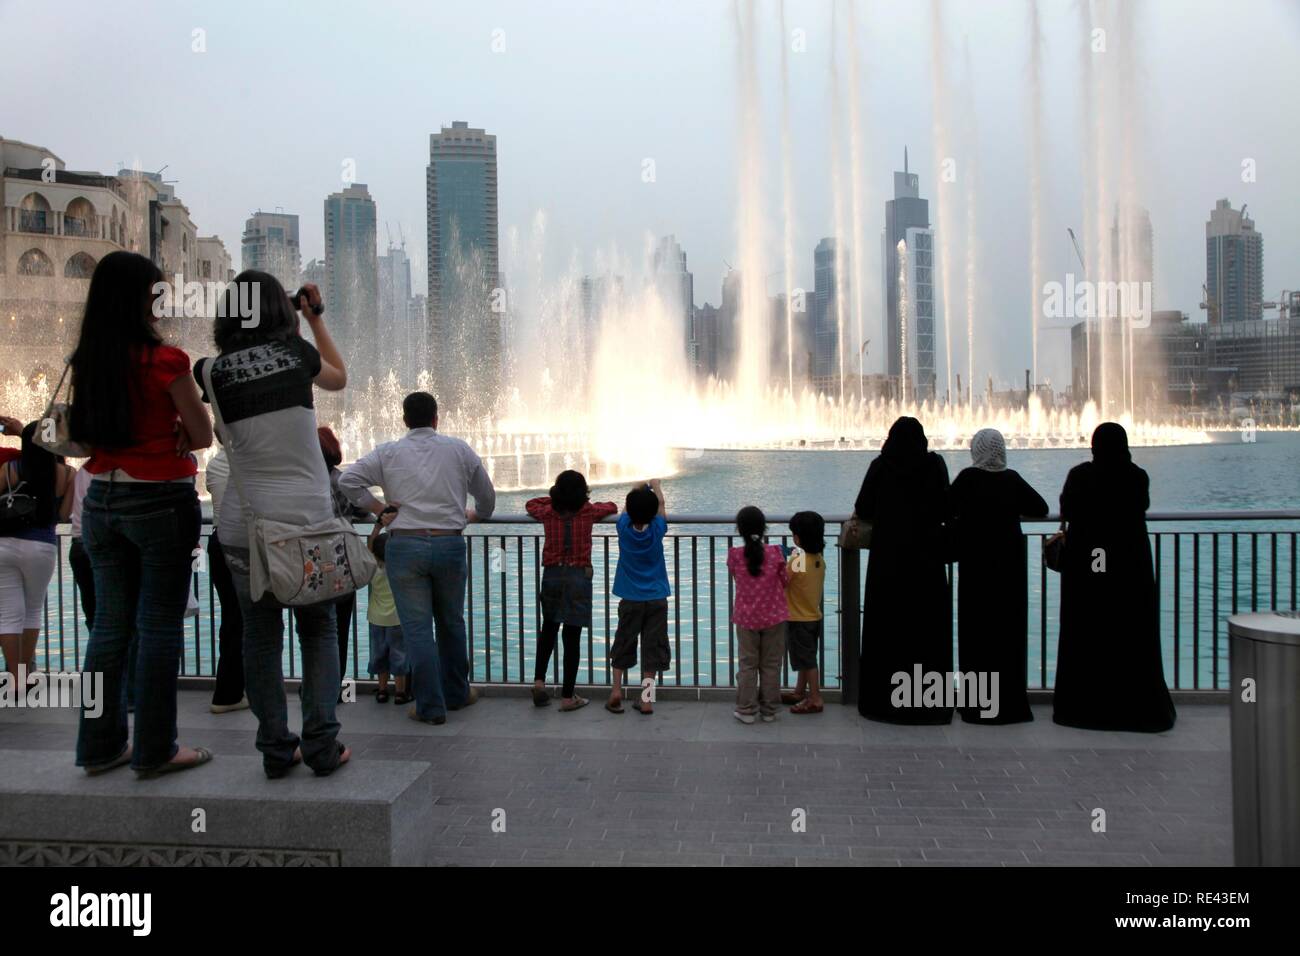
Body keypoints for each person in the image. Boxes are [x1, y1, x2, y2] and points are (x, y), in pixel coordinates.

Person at [195, 272, 351, 777]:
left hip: (244, 528)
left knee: (258, 636)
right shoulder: (297, 358)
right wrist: (313, 317)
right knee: (317, 629)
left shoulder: (210, 371)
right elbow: (338, 376)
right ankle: (322, 746)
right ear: (282, 313)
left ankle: (276, 750)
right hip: (305, 521)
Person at [69, 250, 212, 777]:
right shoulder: (166, 360)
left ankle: (99, 746)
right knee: (157, 627)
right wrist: (178, 430)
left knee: (108, 628)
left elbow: (85, 435)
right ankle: (156, 749)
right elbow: (201, 435)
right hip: (160, 499)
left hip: (101, 503)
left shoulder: (88, 361)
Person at [339, 391, 496, 726]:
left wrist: (382, 510)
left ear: (404, 420)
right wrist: (474, 515)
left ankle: (429, 706)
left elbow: (348, 481)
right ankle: (457, 693)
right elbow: (487, 497)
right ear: (436, 418)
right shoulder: (458, 449)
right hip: (449, 544)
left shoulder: (388, 452)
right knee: (452, 623)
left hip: (405, 546)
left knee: (417, 630)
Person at [1053, 422, 1176, 733]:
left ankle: (1085, 708)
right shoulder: (1137, 476)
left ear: (1095, 446)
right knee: (1132, 633)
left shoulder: (1079, 476)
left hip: (1088, 569)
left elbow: (1066, 507)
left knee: (1088, 633)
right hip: (1129, 569)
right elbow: (1141, 506)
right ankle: (1134, 707)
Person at [853, 416, 953, 725]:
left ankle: (883, 703)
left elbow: (864, 507)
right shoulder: (935, 466)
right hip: (927, 563)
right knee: (926, 632)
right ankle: (928, 704)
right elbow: (947, 508)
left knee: (888, 631)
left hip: (888, 563)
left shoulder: (880, 466)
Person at [949, 428, 1048, 724]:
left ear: (976, 450)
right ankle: (1012, 705)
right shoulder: (1012, 480)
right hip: (1009, 569)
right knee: (1008, 633)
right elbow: (1040, 508)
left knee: (977, 633)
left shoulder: (967, 479)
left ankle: (977, 705)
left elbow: (944, 507)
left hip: (976, 568)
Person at [525, 470, 617, 711]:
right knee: (572, 636)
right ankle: (567, 696)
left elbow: (531, 503)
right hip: (578, 577)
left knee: (548, 629)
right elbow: (612, 505)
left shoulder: (547, 512)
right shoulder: (588, 511)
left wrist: (554, 500)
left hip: (552, 575)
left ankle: (539, 683)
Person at [0, 422, 73, 681]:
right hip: (42, 547)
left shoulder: (10, 468)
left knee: (8, 614)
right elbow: (64, 515)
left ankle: (14, 679)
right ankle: (27, 677)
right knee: (31, 611)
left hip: (5, 545)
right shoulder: (68, 474)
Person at [605, 479, 671, 715]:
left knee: (624, 641)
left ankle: (615, 692)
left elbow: (628, 507)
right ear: (653, 512)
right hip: (656, 598)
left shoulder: (623, 527)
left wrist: (636, 487)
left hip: (630, 598)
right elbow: (661, 506)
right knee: (652, 649)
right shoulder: (657, 529)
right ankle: (646, 700)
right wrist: (657, 486)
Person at [312, 425, 365, 699]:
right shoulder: (342, 481)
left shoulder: (306, 483)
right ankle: (335, 687)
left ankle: (315, 686)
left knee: (315, 627)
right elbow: (363, 507)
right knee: (340, 627)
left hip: (313, 561)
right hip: (343, 560)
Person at [727, 506, 789, 724]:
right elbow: (785, 581)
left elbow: (737, 578)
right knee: (771, 664)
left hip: (746, 618)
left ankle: (746, 709)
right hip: (774, 617)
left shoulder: (734, 555)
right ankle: (770, 709)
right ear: (764, 528)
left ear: (739, 530)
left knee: (748, 664)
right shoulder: (775, 553)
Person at [203, 439, 248, 714]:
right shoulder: (247, 460)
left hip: (217, 543)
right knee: (248, 619)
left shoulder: (214, 464)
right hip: (243, 544)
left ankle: (231, 688)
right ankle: (230, 692)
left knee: (232, 617)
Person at [782, 510, 826, 714]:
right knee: (805, 657)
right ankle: (799, 691)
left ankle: (815, 698)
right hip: (813, 617)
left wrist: (784, 559)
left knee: (807, 661)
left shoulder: (797, 562)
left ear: (798, 537)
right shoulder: (818, 560)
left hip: (797, 619)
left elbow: (783, 580)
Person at [366, 515, 409, 704]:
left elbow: (370, 545)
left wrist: (377, 526)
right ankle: (400, 692)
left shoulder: (372, 568)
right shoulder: (399, 568)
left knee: (379, 654)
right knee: (399, 655)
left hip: (375, 619)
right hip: (397, 619)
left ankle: (382, 691)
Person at [66, 465, 95, 633]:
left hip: (78, 545)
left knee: (93, 616)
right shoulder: (116, 469)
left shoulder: (82, 471)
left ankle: (20, 661)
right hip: (103, 546)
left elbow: (64, 514)